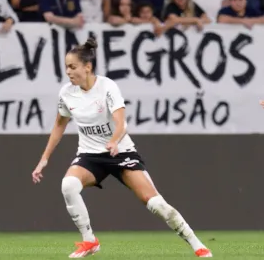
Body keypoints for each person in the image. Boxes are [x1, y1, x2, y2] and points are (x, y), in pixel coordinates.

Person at [31, 38, 213, 258]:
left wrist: (115, 141)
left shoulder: (107, 86)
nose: (68, 72)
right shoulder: (67, 93)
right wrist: (44, 158)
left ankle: (197, 244)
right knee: (68, 185)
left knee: (156, 204)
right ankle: (90, 241)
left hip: (121, 152)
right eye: (66, 67)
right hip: (90, 155)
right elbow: (60, 124)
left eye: (72, 67)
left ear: (87, 67)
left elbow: (121, 123)